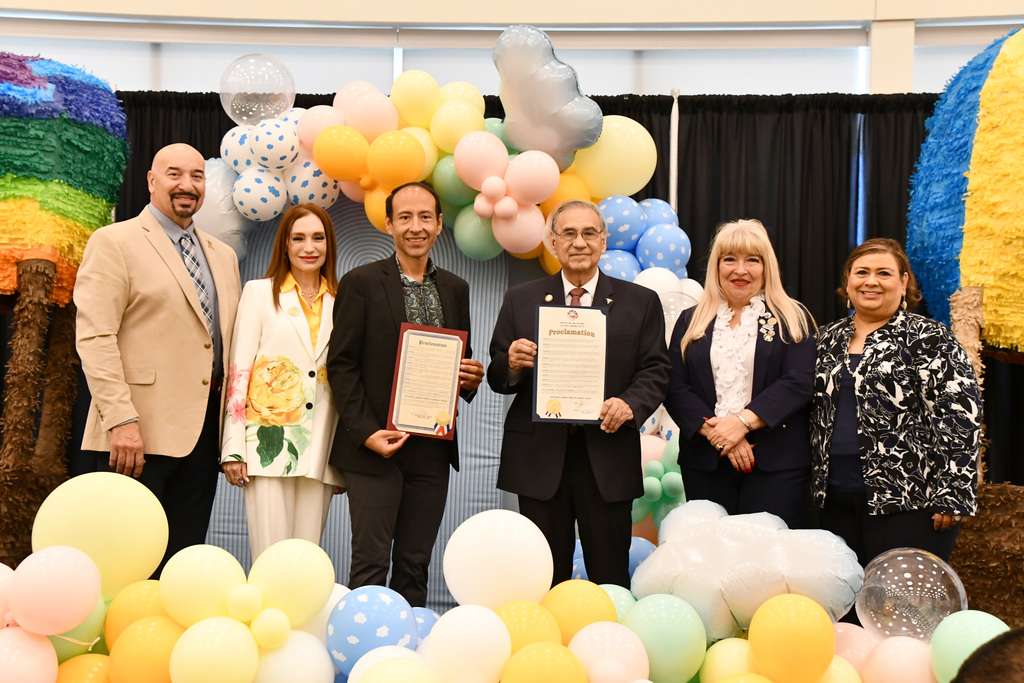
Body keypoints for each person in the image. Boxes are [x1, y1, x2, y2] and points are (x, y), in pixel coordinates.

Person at [75, 143, 241, 571]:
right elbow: (95, 337)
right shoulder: (114, 241)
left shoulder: (222, 255)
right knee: (125, 563)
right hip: (134, 438)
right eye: (174, 174)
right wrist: (121, 420)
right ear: (151, 180)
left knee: (180, 564)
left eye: (197, 176)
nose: (187, 185)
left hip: (203, 438)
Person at [487, 199, 670, 588]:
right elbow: (497, 376)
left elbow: (656, 370)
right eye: (568, 233)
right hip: (539, 459)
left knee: (610, 576)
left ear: (603, 241)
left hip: (607, 456)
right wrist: (513, 363)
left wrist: (630, 403)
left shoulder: (640, 303)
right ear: (552, 242)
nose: (579, 242)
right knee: (540, 578)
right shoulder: (521, 298)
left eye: (589, 233)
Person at [326, 181, 484, 607]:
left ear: (439, 225)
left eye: (425, 217)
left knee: (416, 563)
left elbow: (458, 358)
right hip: (377, 446)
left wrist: (470, 376)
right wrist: (366, 434)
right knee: (371, 563)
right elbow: (341, 366)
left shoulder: (455, 288)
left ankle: (408, 662)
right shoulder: (359, 283)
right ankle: (364, 661)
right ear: (389, 224)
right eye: (405, 217)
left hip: (432, 447)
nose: (416, 227)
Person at [811, 238, 980, 566]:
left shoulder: (930, 338)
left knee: (899, 608)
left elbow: (960, 417)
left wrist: (954, 492)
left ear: (904, 283)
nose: (870, 281)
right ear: (848, 282)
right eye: (861, 272)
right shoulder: (825, 338)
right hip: (831, 502)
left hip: (909, 502)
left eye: (884, 273)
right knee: (841, 606)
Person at [664, 219, 815, 529]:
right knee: (712, 559)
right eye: (729, 259)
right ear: (716, 266)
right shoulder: (691, 320)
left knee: (766, 563)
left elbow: (798, 382)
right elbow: (674, 385)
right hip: (705, 465)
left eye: (752, 260)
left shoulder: (791, 316)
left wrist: (741, 424)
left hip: (776, 466)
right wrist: (721, 436)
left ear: (767, 266)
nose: (740, 270)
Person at [220, 203, 346, 561]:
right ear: (285, 245)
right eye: (299, 238)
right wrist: (233, 448)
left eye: (318, 238)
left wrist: (343, 461)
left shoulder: (344, 300)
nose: (309, 247)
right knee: (270, 558)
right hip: (266, 443)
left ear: (329, 245)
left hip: (321, 447)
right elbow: (239, 371)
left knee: (306, 561)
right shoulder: (259, 293)